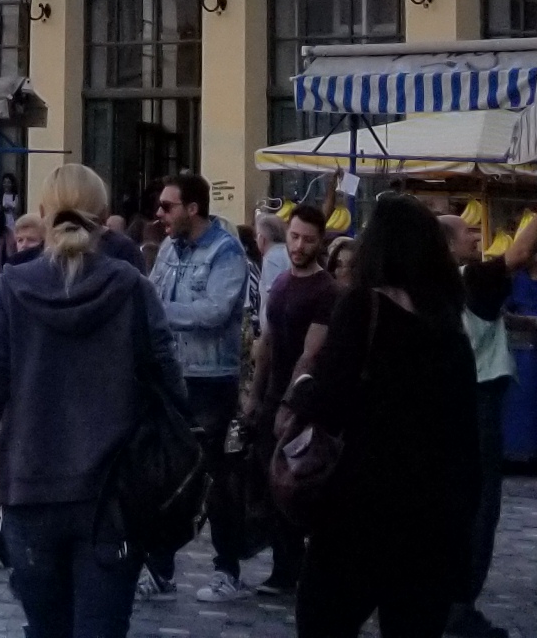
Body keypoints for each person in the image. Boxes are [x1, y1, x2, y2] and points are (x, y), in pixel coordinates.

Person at [0, 163, 186, 638]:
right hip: (114, 494)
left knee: (46, 628)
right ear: (104, 216)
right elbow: (172, 386)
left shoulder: (11, 288)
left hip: (29, 488)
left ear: (43, 215)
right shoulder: (131, 287)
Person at [275, 193, 483, 638]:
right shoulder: (448, 326)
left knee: (322, 622)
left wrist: (302, 387)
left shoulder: (363, 309)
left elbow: (329, 400)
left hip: (358, 510)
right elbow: (467, 438)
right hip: (429, 521)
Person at [445, 189, 537, 634]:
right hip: (478, 402)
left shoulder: (435, 285)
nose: (475, 238)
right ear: (447, 248)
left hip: (452, 401)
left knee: (458, 505)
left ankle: (446, 598)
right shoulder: (472, 278)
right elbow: (522, 252)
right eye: (466, 234)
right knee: (482, 507)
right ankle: (460, 605)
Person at [147, 172, 254, 601]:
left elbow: (214, 312)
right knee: (164, 475)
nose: (160, 215)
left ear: (193, 208)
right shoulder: (169, 250)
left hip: (211, 379)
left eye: (167, 206)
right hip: (171, 375)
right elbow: (152, 290)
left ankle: (226, 569)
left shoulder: (226, 252)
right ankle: (159, 568)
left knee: (213, 476)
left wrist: (160, 312)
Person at [240, 205, 339, 602]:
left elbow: (310, 354)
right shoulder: (280, 283)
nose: (299, 245)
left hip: (302, 401)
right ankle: (284, 565)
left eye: (308, 240)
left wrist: (288, 405)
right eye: (295, 237)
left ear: (320, 241)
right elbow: (267, 344)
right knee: (271, 482)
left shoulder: (326, 290)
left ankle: (293, 568)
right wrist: (254, 397)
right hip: (272, 396)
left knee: (296, 484)